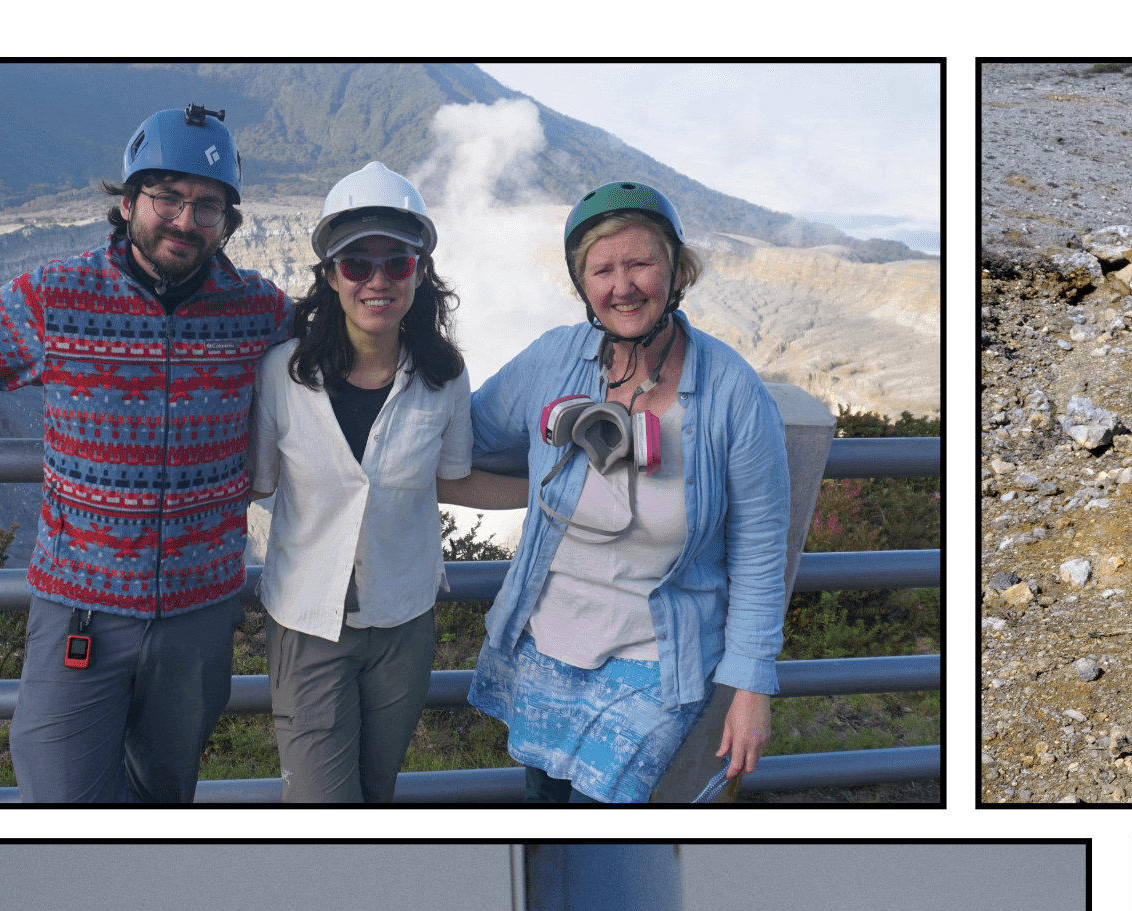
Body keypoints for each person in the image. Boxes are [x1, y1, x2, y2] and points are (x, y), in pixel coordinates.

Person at [0, 106, 294, 803]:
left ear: (227, 222)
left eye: (207, 207)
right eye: (168, 198)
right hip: (84, 611)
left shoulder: (255, 310)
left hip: (199, 614)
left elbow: (339, 354)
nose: (186, 221)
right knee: (57, 794)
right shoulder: (56, 300)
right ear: (127, 202)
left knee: (167, 797)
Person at [438, 182, 787, 802]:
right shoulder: (555, 359)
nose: (621, 285)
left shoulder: (732, 392)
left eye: (640, 263)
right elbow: (468, 431)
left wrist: (750, 688)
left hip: (655, 665)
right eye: (602, 269)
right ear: (583, 287)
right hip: (545, 645)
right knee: (547, 816)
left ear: (676, 269)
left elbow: (760, 548)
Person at [248, 163, 474, 802]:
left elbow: (451, 479)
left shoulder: (444, 378)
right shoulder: (282, 377)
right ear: (330, 276)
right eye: (357, 265)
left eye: (397, 264)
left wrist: (563, 482)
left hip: (404, 620)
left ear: (419, 274)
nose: (378, 281)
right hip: (306, 620)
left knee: (377, 796)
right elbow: (256, 483)